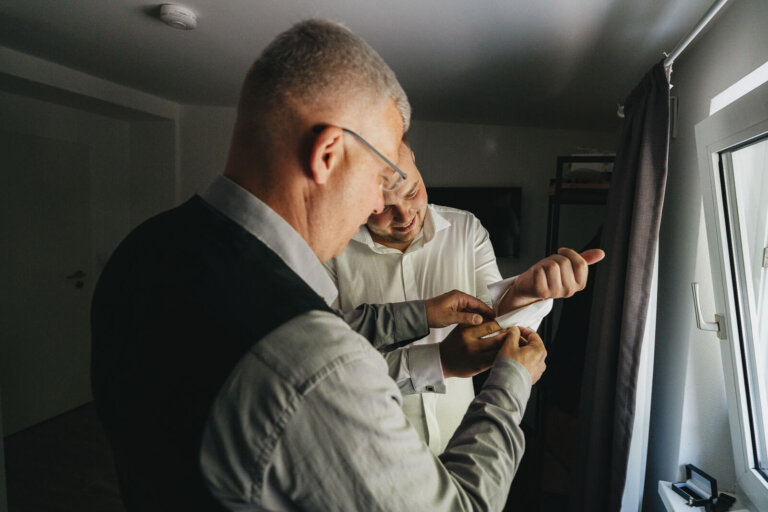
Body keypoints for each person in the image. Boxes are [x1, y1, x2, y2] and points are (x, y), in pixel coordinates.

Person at [91, 19, 547, 511]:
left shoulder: (143, 249)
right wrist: (509, 384)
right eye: (380, 176)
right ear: (328, 154)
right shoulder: (311, 362)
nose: (379, 206)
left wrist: (422, 317)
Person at [325, 139, 605, 453]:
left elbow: (492, 324)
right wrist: (439, 362)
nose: (404, 215)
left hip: (459, 439)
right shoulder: (330, 251)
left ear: (415, 161)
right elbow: (328, 366)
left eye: (412, 191)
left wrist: (524, 292)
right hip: (369, 449)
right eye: (384, 207)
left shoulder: (466, 229)